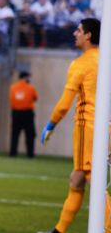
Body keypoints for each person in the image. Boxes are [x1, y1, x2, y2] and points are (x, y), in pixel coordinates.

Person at [40, 18, 104, 233]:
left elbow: (65, 102)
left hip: (88, 126)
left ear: (88, 35)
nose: (74, 33)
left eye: (78, 30)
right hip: (106, 127)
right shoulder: (105, 59)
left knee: (94, 181)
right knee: (77, 179)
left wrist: (51, 123)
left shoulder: (81, 63)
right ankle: (59, 231)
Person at [9, 71, 38, 158]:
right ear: (25, 77)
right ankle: (30, 154)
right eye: (28, 77)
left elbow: (11, 99)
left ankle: (13, 153)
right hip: (27, 113)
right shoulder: (31, 88)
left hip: (15, 113)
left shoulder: (13, 88)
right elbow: (35, 98)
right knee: (30, 134)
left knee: (15, 134)